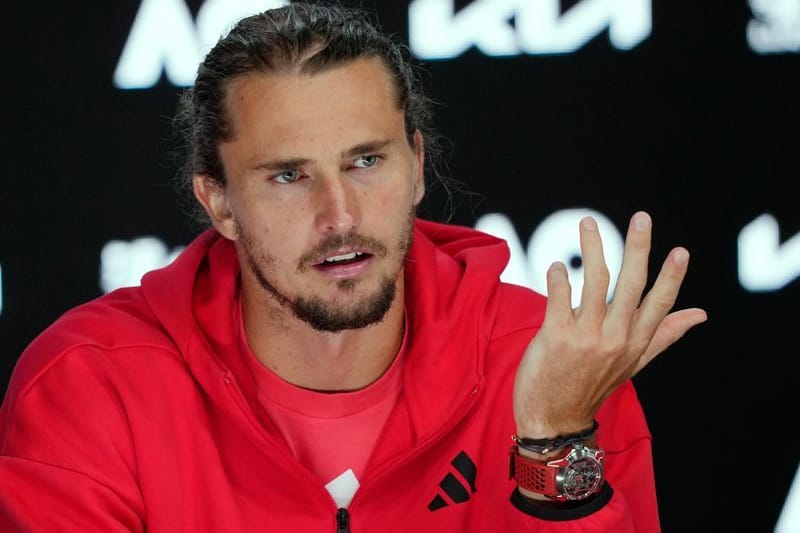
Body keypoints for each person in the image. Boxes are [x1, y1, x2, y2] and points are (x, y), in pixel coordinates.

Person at [0, 3, 707, 532]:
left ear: (419, 165)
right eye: (287, 176)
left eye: (367, 161)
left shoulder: (554, 362)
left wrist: (553, 439)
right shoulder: (89, 383)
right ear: (218, 201)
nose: (339, 214)